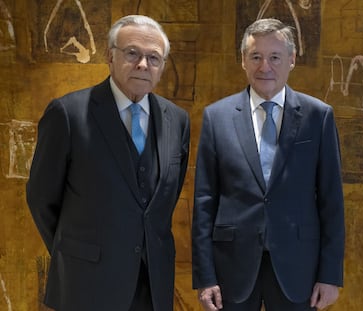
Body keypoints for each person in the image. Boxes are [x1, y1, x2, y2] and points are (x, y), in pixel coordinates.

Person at [26, 15, 190, 311]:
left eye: (154, 58)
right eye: (132, 53)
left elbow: (163, 198)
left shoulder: (177, 120)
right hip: (86, 282)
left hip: (152, 285)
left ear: (163, 67)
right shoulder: (67, 114)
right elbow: (41, 199)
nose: (143, 64)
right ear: (110, 56)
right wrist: (75, 253)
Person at [192, 18, 344, 311]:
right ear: (243, 61)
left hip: (300, 268)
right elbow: (204, 202)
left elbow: (332, 201)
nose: (265, 67)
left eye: (275, 57)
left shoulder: (318, 116)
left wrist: (330, 275)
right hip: (230, 270)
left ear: (292, 60)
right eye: (256, 57)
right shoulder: (216, 116)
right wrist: (205, 276)